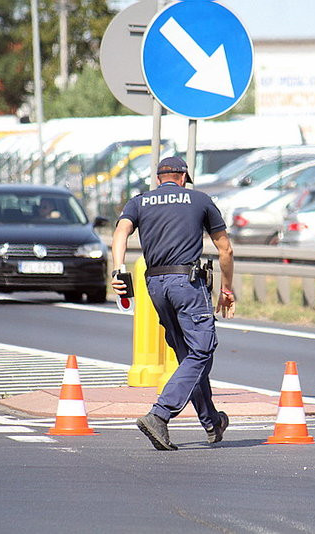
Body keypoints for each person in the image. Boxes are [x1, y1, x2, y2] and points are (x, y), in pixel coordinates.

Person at [111, 156, 236, 451]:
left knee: (189, 356)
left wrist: (117, 270)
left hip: (154, 285)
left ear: (159, 179)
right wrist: (227, 289)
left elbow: (120, 232)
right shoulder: (200, 200)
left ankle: (212, 421)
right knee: (202, 349)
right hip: (186, 283)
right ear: (182, 177)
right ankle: (160, 414)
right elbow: (226, 249)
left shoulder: (139, 202)